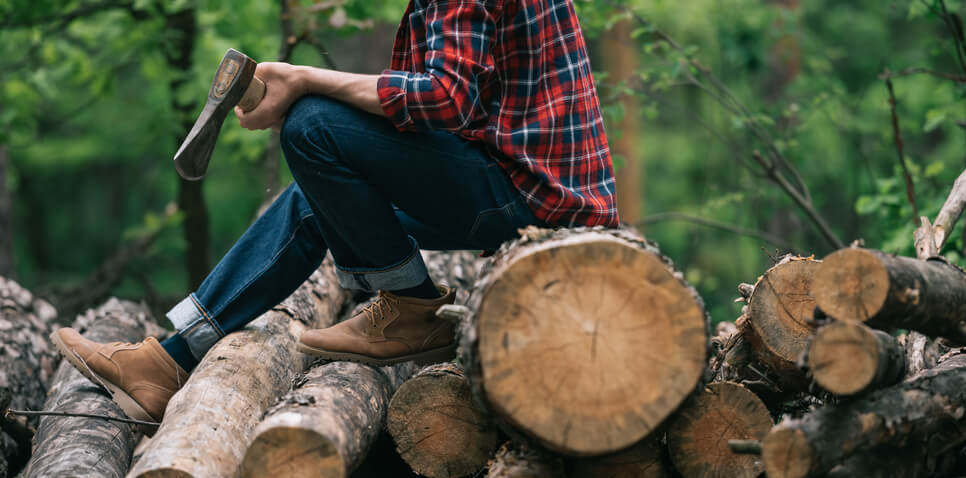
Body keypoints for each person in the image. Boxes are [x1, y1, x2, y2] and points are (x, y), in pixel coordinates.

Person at [51, 0, 619, 427]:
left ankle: (411, 307)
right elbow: (455, 109)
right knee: (311, 196)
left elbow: (446, 98)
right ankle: (168, 363)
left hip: (532, 200)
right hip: (521, 187)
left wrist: (305, 79)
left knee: (313, 125)